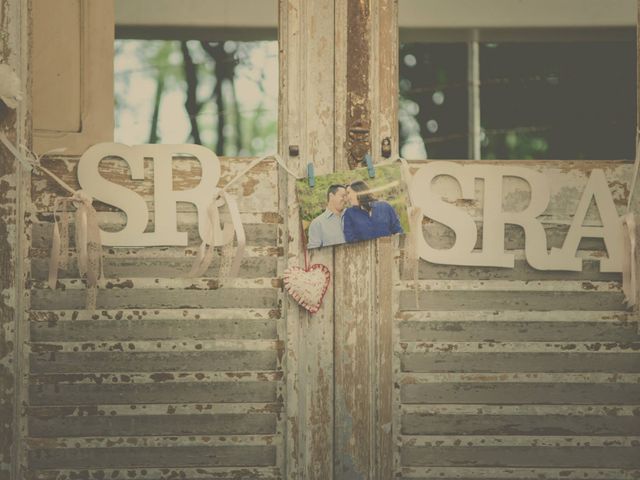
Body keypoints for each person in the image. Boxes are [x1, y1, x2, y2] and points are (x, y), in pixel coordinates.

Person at [307, 184, 347, 248]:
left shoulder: (351, 216)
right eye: (343, 196)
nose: (345, 200)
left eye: (346, 197)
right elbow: (313, 253)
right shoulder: (317, 223)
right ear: (331, 196)